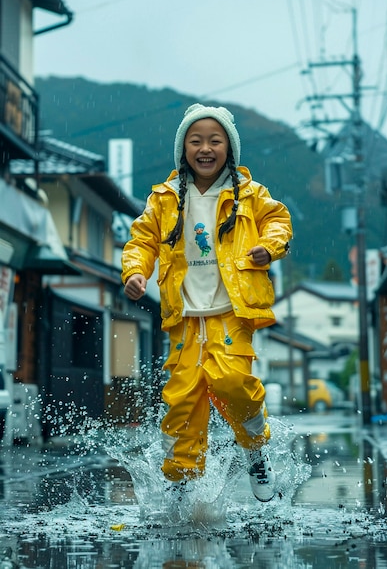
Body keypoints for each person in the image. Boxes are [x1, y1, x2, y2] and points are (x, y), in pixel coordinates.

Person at [121, 103, 292, 502]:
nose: (205, 148)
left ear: (229, 149)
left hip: (231, 310)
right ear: (183, 149)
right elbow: (141, 240)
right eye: (195, 140)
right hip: (183, 316)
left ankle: (254, 448)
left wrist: (269, 247)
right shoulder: (164, 198)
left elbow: (278, 221)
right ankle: (182, 485)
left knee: (232, 382)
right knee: (182, 401)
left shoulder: (250, 194)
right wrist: (134, 272)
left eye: (215, 140)